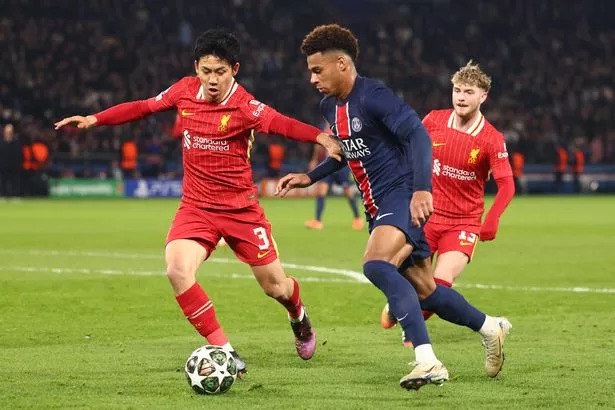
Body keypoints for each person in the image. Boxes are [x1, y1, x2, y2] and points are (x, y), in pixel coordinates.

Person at [54, 28, 344, 377]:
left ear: (234, 69)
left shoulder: (245, 106)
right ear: (196, 68)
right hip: (197, 207)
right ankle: (225, 351)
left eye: (220, 72)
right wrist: (95, 119)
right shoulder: (184, 91)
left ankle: (298, 314)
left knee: (276, 287)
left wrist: (322, 138)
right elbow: (143, 107)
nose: (211, 80)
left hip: (240, 210)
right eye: (205, 71)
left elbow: (282, 124)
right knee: (177, 268)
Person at [276, 23, 449, 390]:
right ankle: (489, 326)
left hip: (401, 193)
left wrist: (422, 189)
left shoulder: (375, 96)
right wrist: (311, 176)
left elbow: (417, 133)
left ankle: (427, 360)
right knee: (425, 289)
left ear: (342, 64)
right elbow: (343, 153)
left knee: (376, 264)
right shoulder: (329, 105)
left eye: (316, 70)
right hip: (377, 205)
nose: (312, 79)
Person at [381, 61, 515, 377]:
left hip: (463, 223)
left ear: (484, 96)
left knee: (438, 285)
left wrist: (492, 218)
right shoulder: (433, 120)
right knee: (388, 267)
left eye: (469, 91)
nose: (461, 96)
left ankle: (419, 336)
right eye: (457, 90)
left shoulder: (491, 139)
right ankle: (490, 328)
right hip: (426, 218)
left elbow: (507, 183)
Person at [304, 139, 364, 231]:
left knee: (348, 192)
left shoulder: (342, 128)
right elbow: (318, 144)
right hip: (327, 164)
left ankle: (357, 218)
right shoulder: (325, 127)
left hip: (341, 164)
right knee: (321, 191)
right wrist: (314, 159)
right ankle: (317, 221)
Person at [0, 124, 24, 198]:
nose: (8, 132)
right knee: (3, 181)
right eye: (7, 131)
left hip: (14, 166)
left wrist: (19, 164)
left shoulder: (17, 142)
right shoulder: (1, 142)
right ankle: (3, 195)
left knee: (15, 181)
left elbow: (20, 154)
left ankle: (15, 195)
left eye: (10, 131)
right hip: (3, 165)